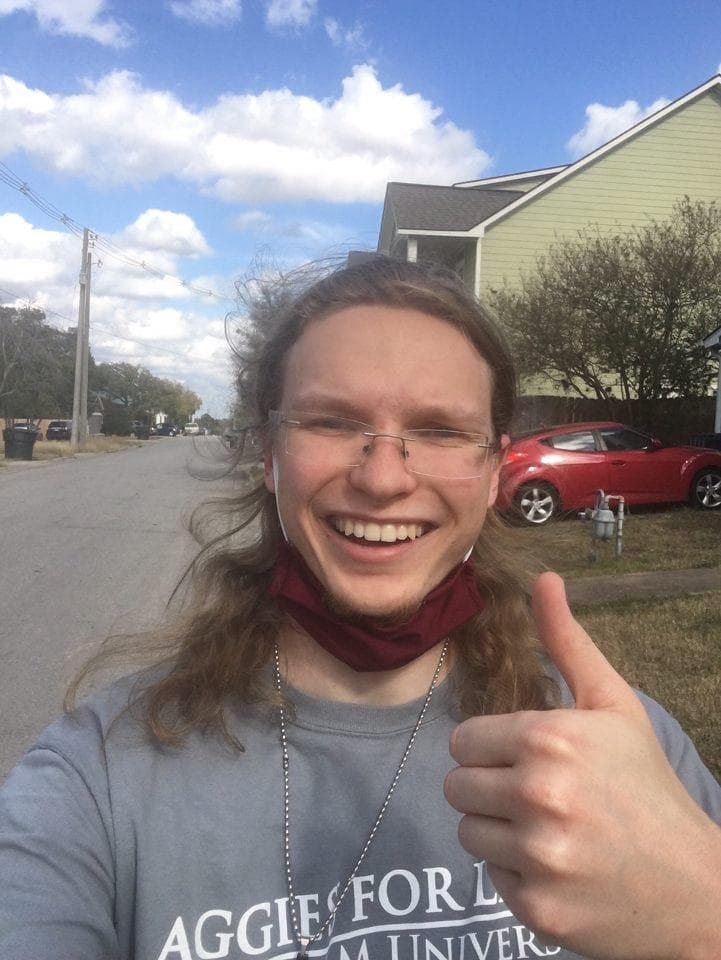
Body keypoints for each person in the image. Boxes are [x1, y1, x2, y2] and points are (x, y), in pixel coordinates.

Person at [1, 256, 720, 960]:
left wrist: (698, 923)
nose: (382, 479)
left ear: (494, 468)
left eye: (440, 430)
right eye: (332, 422)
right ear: (268, 453)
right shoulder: (96, 776)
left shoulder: (625, 755)